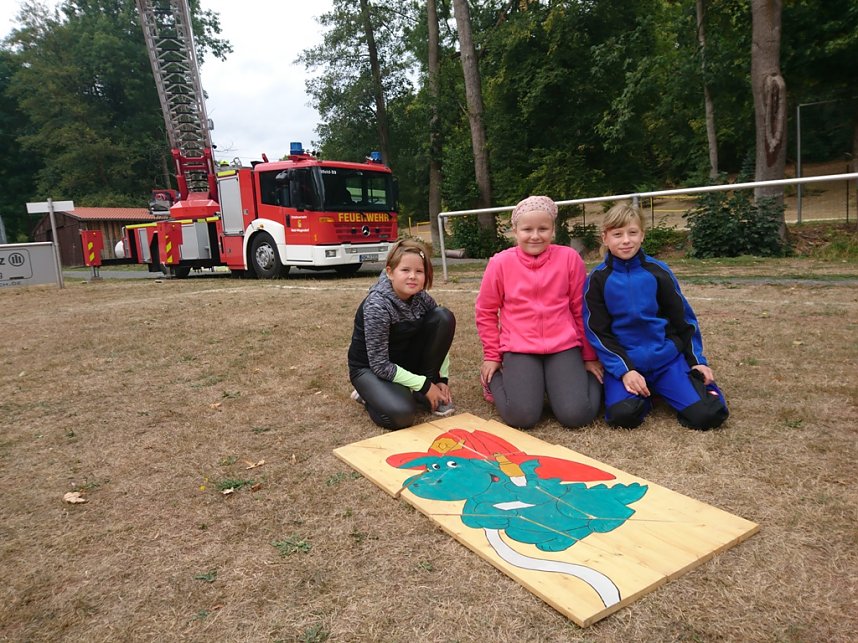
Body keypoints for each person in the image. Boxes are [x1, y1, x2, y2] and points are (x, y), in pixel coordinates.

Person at [583, 203, 729, 430]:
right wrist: (625, 370)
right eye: (617, 234)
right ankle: (647, 394)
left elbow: (684, 320)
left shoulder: (658, 271)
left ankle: (686, 386)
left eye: (632, 233)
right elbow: (597, 332)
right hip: (627, 362)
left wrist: (697, 362)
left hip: (666, 360)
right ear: (605, 238)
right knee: (623, 416)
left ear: (642, 235)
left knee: (708, 415)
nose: (626, 240)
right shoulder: (597, 279)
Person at [475, 195, 603, 429]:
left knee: (577, 415)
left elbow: (580, 309)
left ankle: (576, 383)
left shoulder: (569, 258)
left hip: (563, 346)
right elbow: (486, 311)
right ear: (515, 230)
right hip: (519, 347)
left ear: (553, 230)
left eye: (543, 229)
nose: (535, 236)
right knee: (522, 417)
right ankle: (495, 381)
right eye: (527, 229)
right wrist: (492, 356)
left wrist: (588, 356)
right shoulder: (500, 263)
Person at [348, 239, 456, 430]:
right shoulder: (377, 305)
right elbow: (380, 365)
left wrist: (440, 379)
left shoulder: (421, 297)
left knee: (443, 317)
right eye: (405, 270)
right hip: (371, 368)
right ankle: (367, 394)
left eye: (419, 271)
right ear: (390, 272)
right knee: (402, 415)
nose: (412, 276)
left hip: (402, 360)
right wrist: (424, 385)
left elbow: (440, 339)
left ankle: (419, 389)